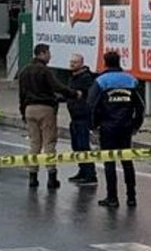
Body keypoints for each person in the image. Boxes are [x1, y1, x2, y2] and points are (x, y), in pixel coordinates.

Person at [87, 51, 146, 210]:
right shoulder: (131, 80)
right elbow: (140, 106)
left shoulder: (101, 81)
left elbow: (91, 106)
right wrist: (136, 125)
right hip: (126, 127)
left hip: (107, 128)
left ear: (105, 62)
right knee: (127, 161)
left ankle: (112, 197)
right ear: (120, 61)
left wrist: (93, 127)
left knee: (109, 162)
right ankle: (131, 197)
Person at [18, 43, 70, 189]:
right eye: (48, 53)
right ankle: (51, 177)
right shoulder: (44, 71)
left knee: (34, 144)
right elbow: (57, 87)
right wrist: (73, 93)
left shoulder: (24, 71)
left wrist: (23, 112)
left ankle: (32, 176)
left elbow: (21, 95)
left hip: (29, 109)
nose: (49, 56)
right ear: (41, 54)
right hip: (45, 109)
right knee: (49, 143)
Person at [64, 53, 98, 185]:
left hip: (82, 117)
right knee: (76, 146)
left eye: (75, 62)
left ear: (81, 63)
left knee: (83, 146)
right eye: (71, 62)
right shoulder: (73, 77)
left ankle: (90, 175)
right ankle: (82, 171)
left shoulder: (85, 78)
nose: (72, 64)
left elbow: (88, 97)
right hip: (74, 117)